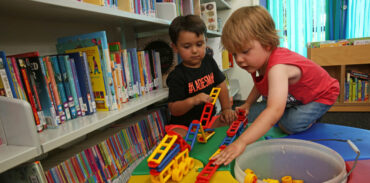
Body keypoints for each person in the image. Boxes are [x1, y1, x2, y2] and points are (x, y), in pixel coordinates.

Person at [212, 6, 339, 165]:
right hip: (297, 96)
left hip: (320, 95)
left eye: (244, 51)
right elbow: (260, 85)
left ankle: (313, 116)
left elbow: (273, 111)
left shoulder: (278, 68)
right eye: (234, 54)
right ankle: (294, 110)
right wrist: (247, 104)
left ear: (267, 43)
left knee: (288, 124)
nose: (239, 60)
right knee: (266, 114)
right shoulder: (258, 63)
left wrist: (241, 142)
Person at [166, 15, 237, 137]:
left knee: (232, 120)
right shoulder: (176, 76)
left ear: (206, 42)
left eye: (199, 44)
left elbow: (221, 84)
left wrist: (226, 109)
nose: (194, 50)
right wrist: (193, 100)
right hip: (184, 126)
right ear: (175, 47)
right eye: (187, 47)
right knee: (176, 135)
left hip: (208, 122)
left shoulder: (209, 61)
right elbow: (174, 109)